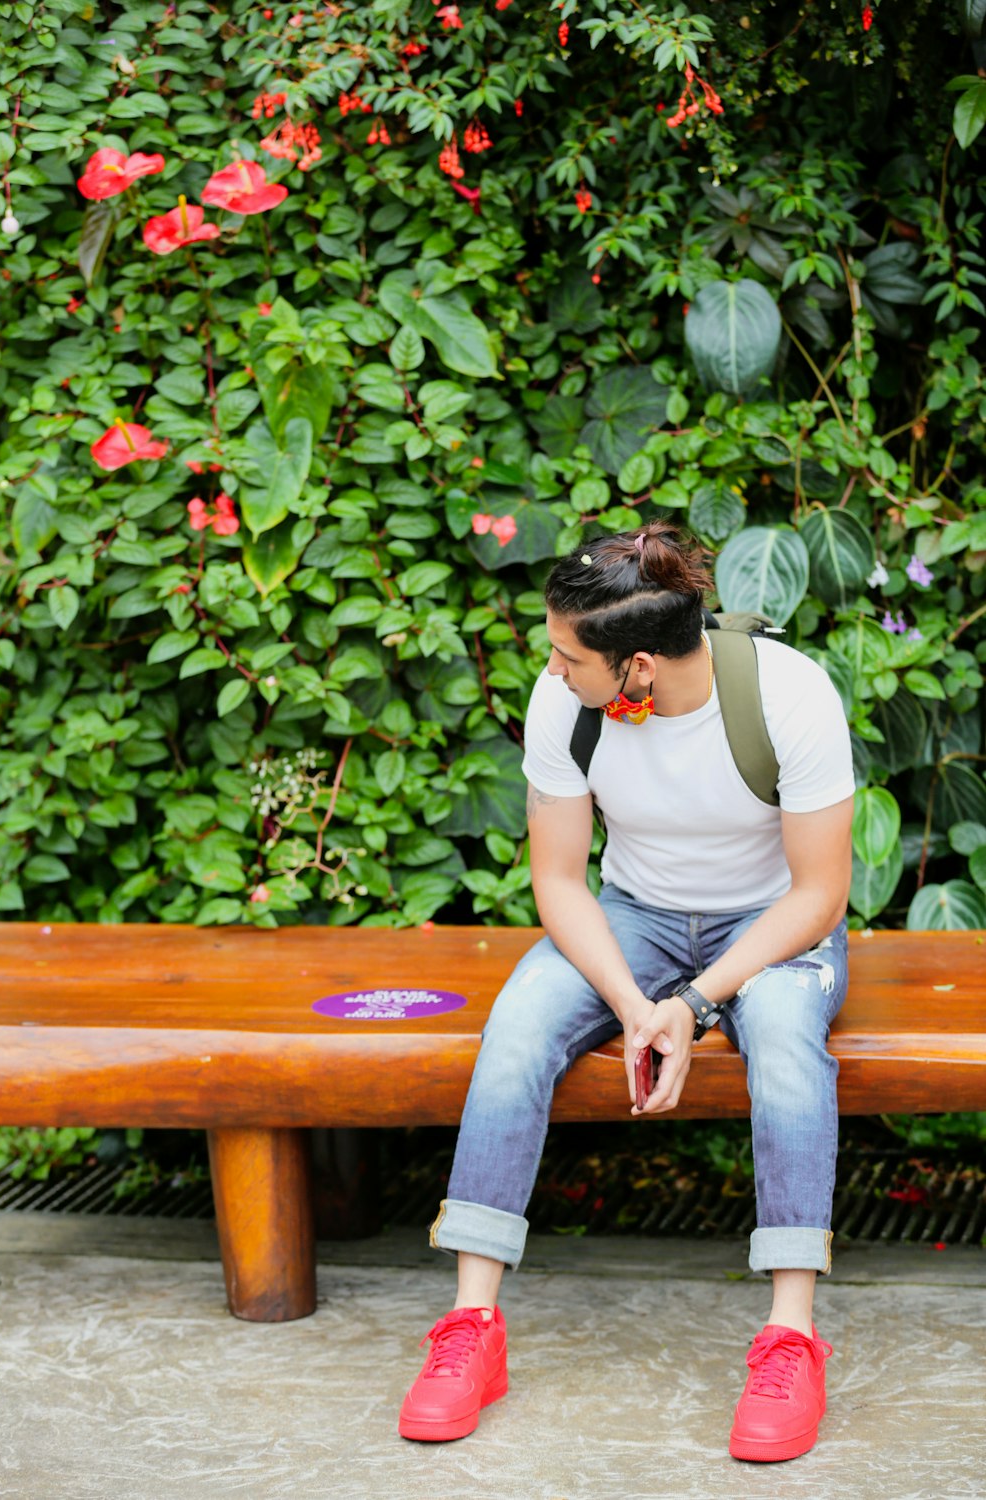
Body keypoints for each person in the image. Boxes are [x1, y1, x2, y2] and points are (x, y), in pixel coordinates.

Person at [398, 521, 855, 1463]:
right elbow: (562, 880)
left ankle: (791, 1336)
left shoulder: (790, 695)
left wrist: (698, 1002)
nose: (552, 668)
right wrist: (637, 999)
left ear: (638, 667)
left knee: (782, 1038)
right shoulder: (564, 702)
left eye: (569, 655)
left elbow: (819, 893)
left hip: (771, 923)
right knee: (520, 1025)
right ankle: (472, 1330)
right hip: (634, 915)